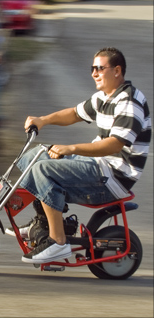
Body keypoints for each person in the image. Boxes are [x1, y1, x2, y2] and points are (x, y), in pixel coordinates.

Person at [16, 47, 151, 264]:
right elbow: (74, 114)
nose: (94, 73)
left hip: (114, 178)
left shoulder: (129, 101)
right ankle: (44, 222)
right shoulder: (105, 97)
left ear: (117, 71)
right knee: (33, 156)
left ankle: (58, 242)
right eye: (92, 68)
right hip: (98, 167)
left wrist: (71, 148)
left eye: (99, 68)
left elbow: (115, 145)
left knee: (43, 169)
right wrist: (43, 120)